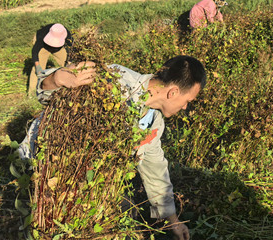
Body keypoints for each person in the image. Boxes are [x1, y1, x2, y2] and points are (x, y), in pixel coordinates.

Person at [18, 56, 206, 240]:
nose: (185, 107)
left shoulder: (154, 123)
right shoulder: (115, 80)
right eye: (188, 100)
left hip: (86, 186)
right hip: (40, 170)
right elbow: (47, 94)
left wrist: (172, 221)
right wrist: (56, 79)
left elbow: (155, 171)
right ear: (173, 92)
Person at [28, 23, 72, 98]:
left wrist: (69, 61)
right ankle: (31, 94)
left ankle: (68, 88)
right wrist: (37, 66)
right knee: (37, 69)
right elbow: (35, 51)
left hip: (59, 49)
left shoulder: (68, 36)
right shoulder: (42, 35)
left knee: (68, 66)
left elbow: (70, 50)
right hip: (43, 47)